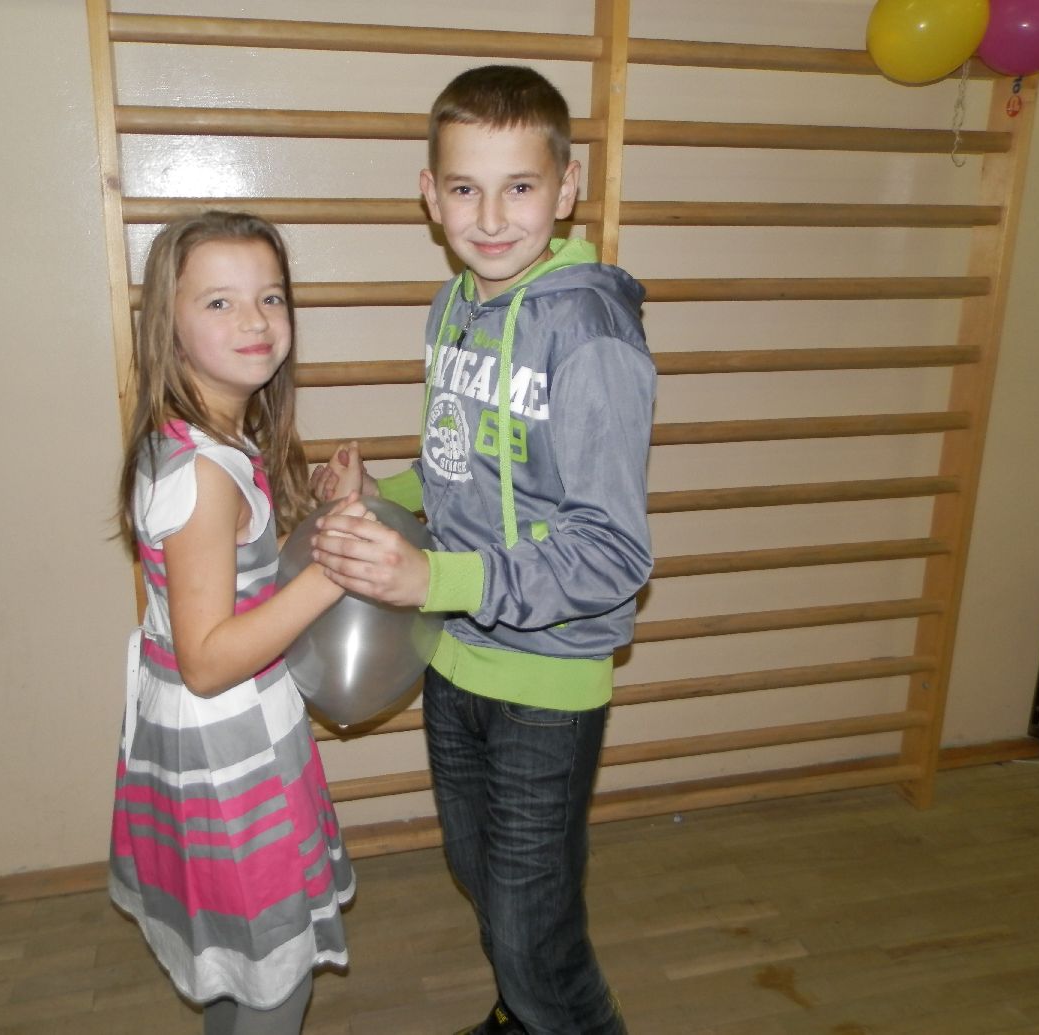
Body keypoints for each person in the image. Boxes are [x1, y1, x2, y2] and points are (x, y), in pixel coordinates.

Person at [310, 65, 654, 1035]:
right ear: (430, 195)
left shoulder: (587, 334)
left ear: (567, 187)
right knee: (484, 876)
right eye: (465, 187)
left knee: (535, 931)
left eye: (520, 186)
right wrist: (384, 497)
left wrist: (434, 576)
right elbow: (457, 467)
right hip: (454, 652)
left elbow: (613, 553)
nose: (491, 217)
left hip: (545, 678)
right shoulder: (454, 305)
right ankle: (520, 1017)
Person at [110, 210, 367, 1034]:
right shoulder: (204, 472)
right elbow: (211, 657)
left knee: (235, 956)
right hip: (228, 748)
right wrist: (332, 571)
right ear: (170, 326)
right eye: (219, 302)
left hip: (218, 737)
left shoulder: (211, 438)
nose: (255, 320)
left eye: (270, 297)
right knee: (273, 974)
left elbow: (238, 581)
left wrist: (315, 518)